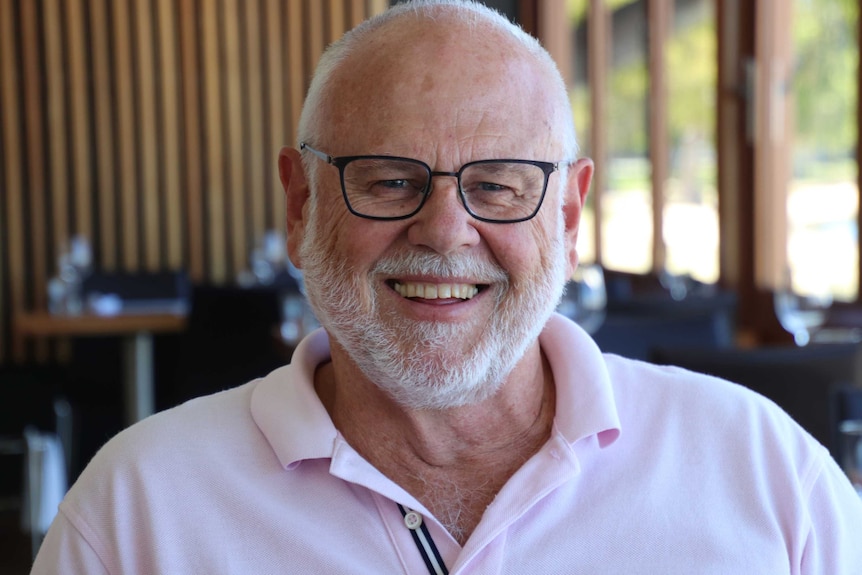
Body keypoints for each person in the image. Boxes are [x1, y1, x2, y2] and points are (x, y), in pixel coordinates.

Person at [31, 1, 862, 573]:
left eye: (498, 185)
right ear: (299, 202)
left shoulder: (767, 473)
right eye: (389, 180)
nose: (444, 230)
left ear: (569, 217)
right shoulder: (137, 509)